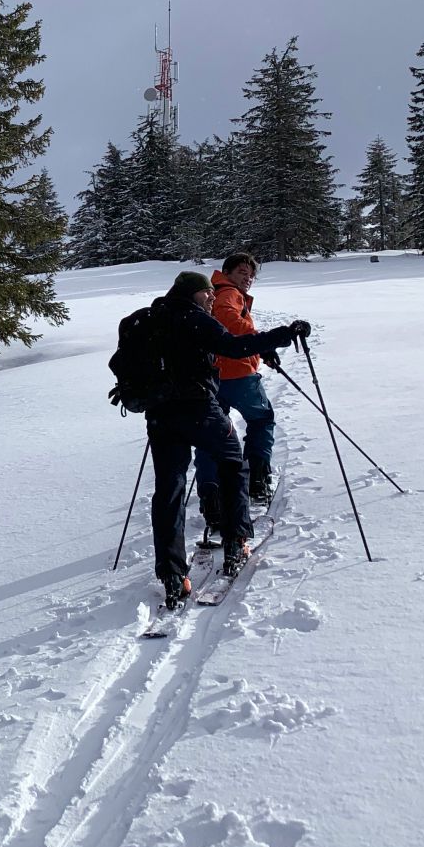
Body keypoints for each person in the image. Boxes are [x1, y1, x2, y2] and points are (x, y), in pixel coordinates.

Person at [146, 270, 309, 607]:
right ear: (192, 293)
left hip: (160, 416)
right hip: (199, 410)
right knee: (232, 463)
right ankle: (236, 539)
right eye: (207, 293)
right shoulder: (195, 319)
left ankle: (172, 574)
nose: (211, 298)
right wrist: (281, 335)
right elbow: (234, 347)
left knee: (169, 488)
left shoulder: (145, 320)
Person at [200, 252, 279, 505]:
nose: (248, 278)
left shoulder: (213, 293)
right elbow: (228, 320)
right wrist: (260, 342)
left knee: (212, 434)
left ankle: (211, 494)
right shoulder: (228, 293)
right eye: (242, 273)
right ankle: (258, 479)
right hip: (237, 373)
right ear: (228, 273)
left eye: (251, 275)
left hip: (212, 377)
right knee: (261, 419)